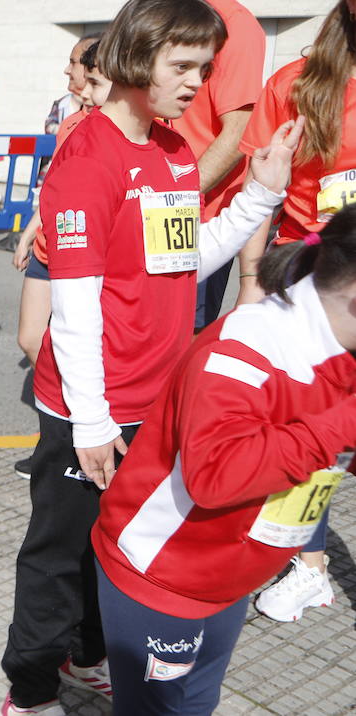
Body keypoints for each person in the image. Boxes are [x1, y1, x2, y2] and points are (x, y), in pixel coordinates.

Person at [0, 0, 299, 715]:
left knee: (119, 546)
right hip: (87, 404)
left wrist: (258, 197)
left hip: (154, 401)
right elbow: (72, 306)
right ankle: (31, 691)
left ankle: (88, 655)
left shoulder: (170, 151)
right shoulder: (88, 158)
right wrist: (94, 420)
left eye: (206, 66)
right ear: (139, 54)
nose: (198, 83)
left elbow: (182, 261)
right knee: (58, 553)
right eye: (185, 64)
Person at [91, 207, 356, 715]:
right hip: (162, 574)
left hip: (227, 577)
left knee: (196, 703)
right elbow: (215, 475)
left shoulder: (338, 348)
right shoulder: (249, 347)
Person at [233, 0, 356, 622]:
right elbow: (264, 190)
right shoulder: (297, 84)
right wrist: (251, 284)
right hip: (305, 276)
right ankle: (309, 564)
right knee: (307, 431)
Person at [122, 0, 265, 330]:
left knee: (171, 349)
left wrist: (176, 198)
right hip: (127, 209)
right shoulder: (138, 20)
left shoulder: (233, 22)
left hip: (190, 220)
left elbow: (240, 131)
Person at [8, 41, 110, 478]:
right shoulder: (69, 125)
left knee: (78, 347)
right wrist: (30, 231)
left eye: (88, 73)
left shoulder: (123, 130)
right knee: (32, 339)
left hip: (86, 257)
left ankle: (64, 440)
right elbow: (54, 186)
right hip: (49, 246)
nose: (79, 79)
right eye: (81, 70)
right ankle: (62, 426)